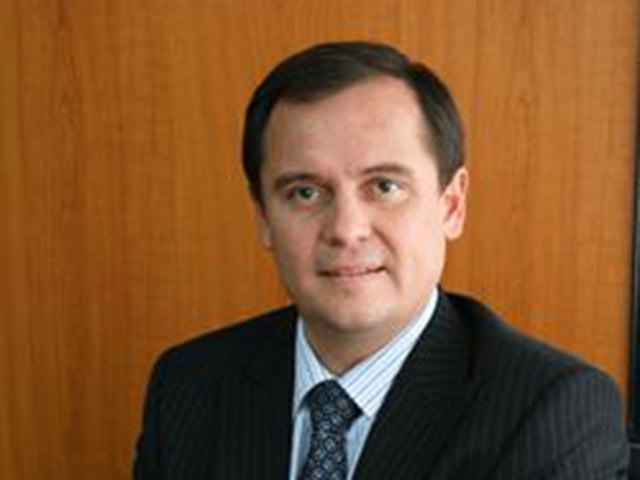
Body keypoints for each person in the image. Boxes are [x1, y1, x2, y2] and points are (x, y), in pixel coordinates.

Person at [133, 41, 628, 479]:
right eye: (305, 192)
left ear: (451, 205)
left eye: (385, 186)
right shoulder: (188, 385)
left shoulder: (550, 411)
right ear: (264, 216)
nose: (346, 229)